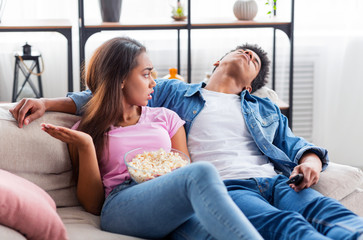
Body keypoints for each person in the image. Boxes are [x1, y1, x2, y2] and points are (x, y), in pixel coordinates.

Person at [10, 39, 363, 240]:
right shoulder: (176, 94)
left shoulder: (261, 109)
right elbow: (99, 93)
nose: (250, 54)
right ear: (216, 61)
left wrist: (310, 162)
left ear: (252, 85)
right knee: (283, 223)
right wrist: (45, 102)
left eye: (256, 62)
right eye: (242, 50)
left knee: (328, 214)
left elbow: (299, 145)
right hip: (224, 187)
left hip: (270, 180)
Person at [29, 37, 262, 240]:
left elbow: (182, 166)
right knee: (202, 172)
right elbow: (92, 205)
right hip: (121, 205)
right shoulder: (87, 130)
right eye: (146, 74)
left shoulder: (167, 118)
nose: (153, 82)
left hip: (170, 201)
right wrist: (86, 145)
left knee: (210, 234)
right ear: (120, 79)